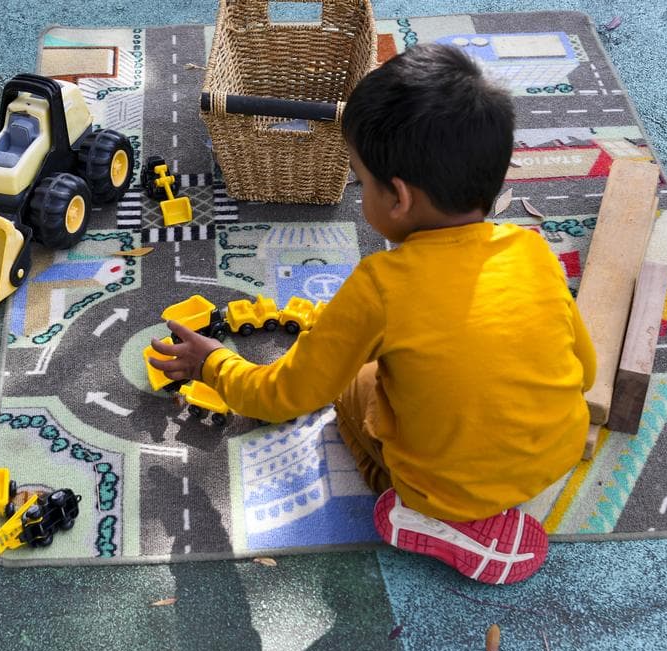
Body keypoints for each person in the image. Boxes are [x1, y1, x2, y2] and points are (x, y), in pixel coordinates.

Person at [147, 43, 595, 585]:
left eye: (360, 179)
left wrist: (213, 364)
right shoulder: (532, 249)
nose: (359, 194)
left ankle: (424, 515)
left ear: (398, 198)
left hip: (449, 488)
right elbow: (586, 372)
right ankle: (473, 491)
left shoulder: (379, 288)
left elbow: (284, 397)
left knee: (350, 388)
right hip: (559, 453)